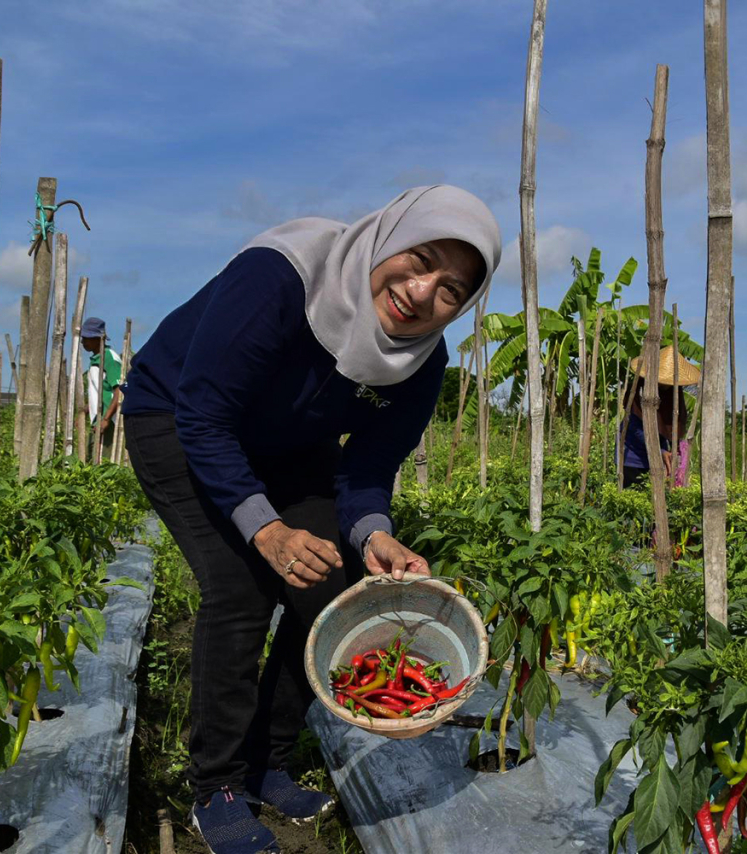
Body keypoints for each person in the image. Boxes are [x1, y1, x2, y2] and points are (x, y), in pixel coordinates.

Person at [120, 186, 500, 854]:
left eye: (451, 288)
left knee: (329, 585)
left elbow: (369, 466)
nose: (421, 290)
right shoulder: (281, 276)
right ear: (390, 236)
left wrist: (371, 533)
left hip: (293, 445)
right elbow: (205, 415)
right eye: (420, 259)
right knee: (240, 586)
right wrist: (266, 530)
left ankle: (267, 760)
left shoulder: (423, 362)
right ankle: (217, 785)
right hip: (179, 418)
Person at [619, 346, 701, 489]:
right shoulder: (639, 393)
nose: (665, 385)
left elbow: (670, 427)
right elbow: (636, 430)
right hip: (632, 456)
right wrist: (661, 451)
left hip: (657, 456)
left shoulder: (672, 397)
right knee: (633, 494)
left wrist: (674, 450)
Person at [80, 317, 122, 459]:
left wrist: (106, 419)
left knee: (103, 464)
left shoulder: (110, 358)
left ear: (98, 338)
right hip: (98, 419)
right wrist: (87, 410)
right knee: (91, 459)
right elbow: (100, 392)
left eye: (86, 338)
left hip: (109, 421)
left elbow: (119, 391)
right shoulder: (95, 360)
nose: (82, 342)